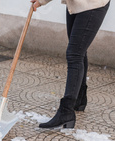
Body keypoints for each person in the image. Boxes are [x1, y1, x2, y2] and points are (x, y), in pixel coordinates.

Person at [31, 0, 110, 129]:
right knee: (79, 51)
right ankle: (79, 99)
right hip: (76, 4)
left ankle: (66, 111)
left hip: (92, 5)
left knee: (75, 54)